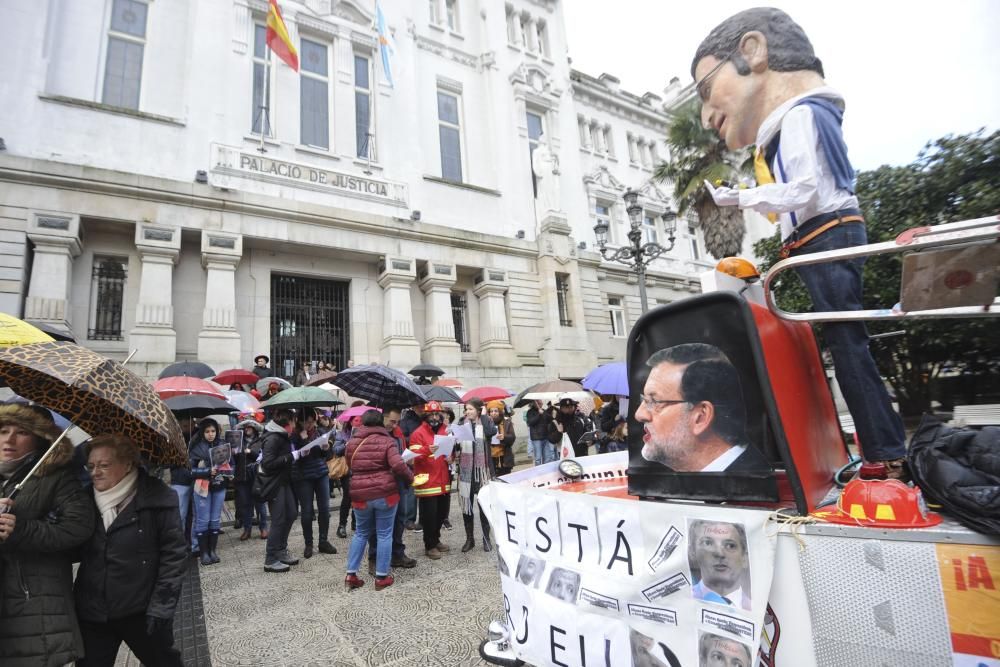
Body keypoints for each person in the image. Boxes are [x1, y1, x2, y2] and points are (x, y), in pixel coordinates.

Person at [693, 7, 906, 479]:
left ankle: (885, 454)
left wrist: (739, 196)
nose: (707, 115)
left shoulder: (801, 117)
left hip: (826, 232)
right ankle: (880, 451)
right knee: (843, 343)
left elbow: (806, 189)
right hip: (818, 236)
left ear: (753, 52)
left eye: (707, 89)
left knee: (847, 344)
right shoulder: (796, 121)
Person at [74, 435, 186, 667]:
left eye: (104, 465)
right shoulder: (81, 501)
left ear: (127, 465)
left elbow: (173, 556)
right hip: (94, 612)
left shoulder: (157, 497)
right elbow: (69, 549)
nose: (95, 472)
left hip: (141, 611)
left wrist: (161, 608)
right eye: (91, 466)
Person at [0, 404, 95, 667]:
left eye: (22, 432)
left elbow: (79, 528)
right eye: (3, 430)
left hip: (35, 605)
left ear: (40, 439)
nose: (9, 439)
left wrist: (20, 529)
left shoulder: (57, 478)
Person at [635, 344, 770, 473]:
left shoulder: (750, 486)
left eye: (654, 401)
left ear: (701, 416)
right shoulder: (747, 478)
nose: (639, 414)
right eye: (644, 400)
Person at [343, 409, 414, 591]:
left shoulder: (352, 442)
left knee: (360, 533)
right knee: (384, 534)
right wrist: (410, 478)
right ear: (381, 423)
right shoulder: (387, 441)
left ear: (363, 423)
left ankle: (351, 574)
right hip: (384, 493)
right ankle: (381, 577)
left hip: (360, 494)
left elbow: (350, 464)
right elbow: (398, 465)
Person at [366, 407, 417, 571]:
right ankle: (374, 558)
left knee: (400, 519)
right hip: (381, 484)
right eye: (392, 421)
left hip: (399, 482)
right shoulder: (375, 435)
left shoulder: (398, 433)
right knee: (376, 524)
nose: (394, 425)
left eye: (397, 422)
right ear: (383, 417)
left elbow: (401, 455)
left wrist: (408, 462)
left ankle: (397, 553)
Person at [259, 408, 303, 573]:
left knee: (291, 513)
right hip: (274, 484)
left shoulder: (283, 436)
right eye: (293, 422)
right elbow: (268, 463)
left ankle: (281, 550)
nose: (294, 425)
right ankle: (270, 559)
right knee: (278, 520)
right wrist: (292, 456)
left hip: (284, 482)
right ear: (286, 424)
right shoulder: (273, 438)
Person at [408, 401, 452, 559]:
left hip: (443, 480)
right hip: (427, 482)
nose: (434, 417)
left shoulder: (445, 432)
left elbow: (448, 452)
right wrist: (427, 450)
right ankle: (430, 545)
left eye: (436, 414)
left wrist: (451, 458)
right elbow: (412, 457)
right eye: (431, 414)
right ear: (425, 416)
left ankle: (436, 539)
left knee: (442, 514)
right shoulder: (417, 433)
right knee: (429, 516)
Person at [291, 410, 336, 558]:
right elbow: (294, 457)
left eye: (312, 421)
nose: (310, 424)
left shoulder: (319, 432)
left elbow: (327, 456)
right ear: (299, 421)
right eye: (307, 421)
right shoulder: (294, 435)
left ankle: (323, 541)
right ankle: (308, 544)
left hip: (321, 473)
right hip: (303, 476)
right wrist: (303, 441)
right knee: (307, 511)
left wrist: (325, 449)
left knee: (324, 509)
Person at [456, 398, 498, 553]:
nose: (467, 412)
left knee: (483, 506)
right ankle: (469, 539)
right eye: (466, 409)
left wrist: (486, 416)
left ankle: (486, 539)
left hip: (482, 472)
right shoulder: (461, 423)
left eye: (471, 409)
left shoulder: (486, 422)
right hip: (466, 472)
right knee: (467, 507)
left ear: (479, 410)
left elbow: (491, 432)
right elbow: (456, 444)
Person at [189, 417, 228, 566]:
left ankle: (212, 551)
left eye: (213, 431)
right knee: (202, 520)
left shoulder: (223, 444)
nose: (211, 434)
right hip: (202, 487)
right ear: (202, 432)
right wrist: (206, 471)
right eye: (207, 431)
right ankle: (204, 553)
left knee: (215, 519)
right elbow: (189, 470)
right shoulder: (196, 447)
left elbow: (231, 464)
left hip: (219, 486)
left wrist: (228, 470)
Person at [689, 520, 751, 611]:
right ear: (692, 552)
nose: (719, 553)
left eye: (730, 545)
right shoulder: (678, 600)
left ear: (745, 557)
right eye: (708, 543)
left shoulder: (758, 609)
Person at [234, 420, 268, 541]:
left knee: (260, 503)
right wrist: (234, 453)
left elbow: (262, 456)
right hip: (242, 476)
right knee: (246, 504)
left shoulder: (261, 440)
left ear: (254, 428)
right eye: (245, 426)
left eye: (249, 426)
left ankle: (263, 528)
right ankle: (247, 530)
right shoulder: (238, 440)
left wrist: (251, 452)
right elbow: (233, 459)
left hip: (256, 476)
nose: (247, 428)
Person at [334, 415, 361, 538]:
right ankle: (342, 525)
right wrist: (347, 444)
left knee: (359, 497)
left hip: (361, 469)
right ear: (350, 421)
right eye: (356, 420)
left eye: (361, 419)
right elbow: (336, 450)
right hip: (348, 470)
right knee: (348, 497)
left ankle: (356, 522)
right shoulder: (342, 434)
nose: (359, 422)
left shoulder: (365, 433)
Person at [486, 400, 516, 476]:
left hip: (505, 456)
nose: (493, 413)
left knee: (505, 478)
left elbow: (513, 437)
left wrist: (504, 437)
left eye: (496, 411)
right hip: (491, 456)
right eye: (491, 411)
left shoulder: (507, 422)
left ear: (500, 412)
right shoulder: (486, 424)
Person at [525, 400, 556, 465]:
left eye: (541, 403)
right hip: (536, 438)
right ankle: (538, 472)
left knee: (547, 457)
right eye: (539, 403)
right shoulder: (530, 412)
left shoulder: (543, 411)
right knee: (538, 458)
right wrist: (539, 414)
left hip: (545, 437)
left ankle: (546, 471)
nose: (541, 405)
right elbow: (530, 422)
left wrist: (552, 413)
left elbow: (550, 420)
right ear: (535, 404)